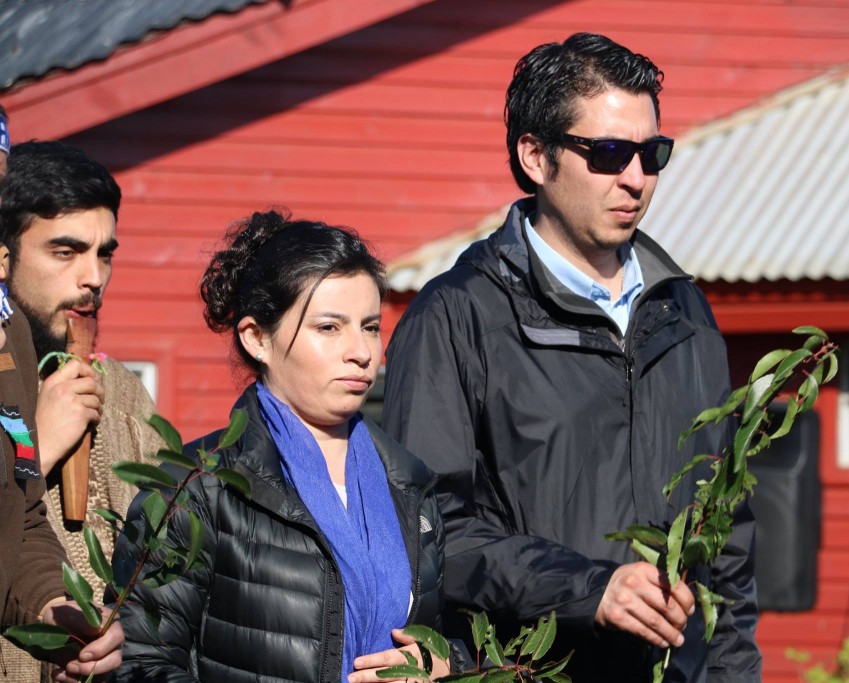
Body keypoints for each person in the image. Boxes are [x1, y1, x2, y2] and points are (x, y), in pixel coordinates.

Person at [381, 33, 762, 681]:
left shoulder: (685, 312)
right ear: (536, 155)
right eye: (610, 153)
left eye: (652, 153)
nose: (636, 178)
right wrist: (590, 589)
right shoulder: (458, 316)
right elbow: (425, 530)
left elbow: (727, 535)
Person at [111, 210, 460, 682]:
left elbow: (449, 637)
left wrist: (446, 664)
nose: (361, 351)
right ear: (257, 338)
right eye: (329, 328)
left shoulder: (411, 489)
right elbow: (139, 665)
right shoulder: (196, 490)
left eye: (371, 327)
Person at [0, 140, 163, 681]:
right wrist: (35, 447)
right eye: (65, 252)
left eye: (105, 253)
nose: (93, 277)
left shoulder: (127, 397)